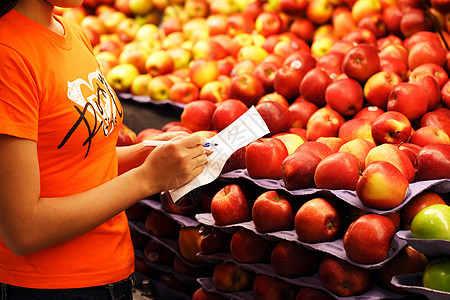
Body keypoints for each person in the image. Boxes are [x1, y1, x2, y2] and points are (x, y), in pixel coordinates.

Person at [0, 0, 209, 298]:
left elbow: (77, 163)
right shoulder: (8, 54)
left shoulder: (73, 33)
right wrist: (146, 178)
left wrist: (144, 156)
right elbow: (24, 230)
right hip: (47, 287)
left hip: (113, 275)